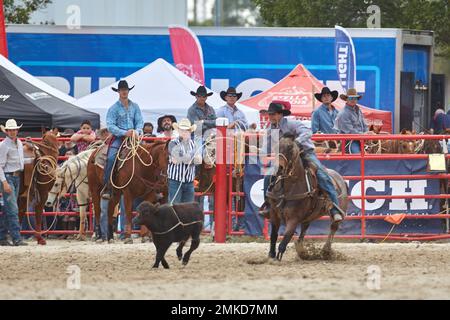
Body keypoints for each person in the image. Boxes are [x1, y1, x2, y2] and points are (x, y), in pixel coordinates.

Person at [259, 101, 343, 223]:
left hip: (305, 154)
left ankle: (335, 209)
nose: (270, 117)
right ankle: (269, 206)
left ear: (280, 115)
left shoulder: (292, 124)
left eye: (273, 114)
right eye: (269, 114)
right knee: (268, 176)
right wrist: (261, 151)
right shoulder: (270, 130)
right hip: (285, 159)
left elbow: (307, 132)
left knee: (322, 176)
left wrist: (296, 142)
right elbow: (266, 147)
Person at [102, 80, 144, 200]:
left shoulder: (135, 106)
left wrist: (136, 131)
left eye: (126, 90)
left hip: (134, 137)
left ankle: (151, 186)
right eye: (122, 90)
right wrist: (124, 132)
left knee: (148, 155)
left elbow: (140, 122)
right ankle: (108, 186)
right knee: (111, 158)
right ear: (118, 92)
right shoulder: (113, 108)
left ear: (128, 91)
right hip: (119, 138)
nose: (124, 92)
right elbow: (110, 126)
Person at [0, 119, 27, 246]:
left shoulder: (19, 143)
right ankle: (16, 238)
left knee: (8, 208)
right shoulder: (4, 145)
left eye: (14, 130)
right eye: (10, 130)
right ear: (7, 131)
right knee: (13, 209)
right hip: (9, 177)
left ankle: (1, 236)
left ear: (17, 130)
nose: (12, 132)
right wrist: (4, 182)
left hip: (16, 177)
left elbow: (21, 161)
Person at [167, 119, 202, 204]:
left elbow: (199, 160)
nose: (184, 132)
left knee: (187, 209)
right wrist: (191, 158)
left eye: (186, 130)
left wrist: (184, 158)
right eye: (182, 130)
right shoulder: (173, 143)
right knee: (174, 208)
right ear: (178, 131)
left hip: (189, 181)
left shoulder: (193, 144)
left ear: (190, 132)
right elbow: (176, 159)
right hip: (175, 181)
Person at [335, 88, 368, 154]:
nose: (353, 100)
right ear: (346, 99)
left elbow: (364, 125)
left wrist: (367, 133)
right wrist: (364, 135)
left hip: (362, 139)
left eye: (355, 98)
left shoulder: (358, 111)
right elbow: (350, 132)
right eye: (350, 98)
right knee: (357, 155)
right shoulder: (343, 114)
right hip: (349, 141)